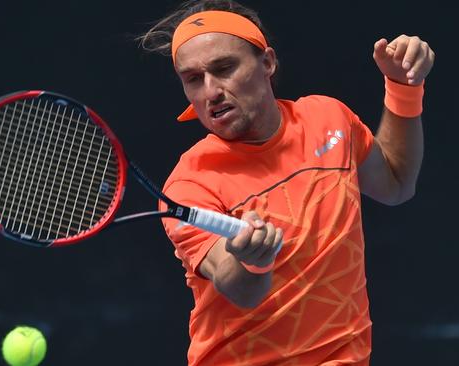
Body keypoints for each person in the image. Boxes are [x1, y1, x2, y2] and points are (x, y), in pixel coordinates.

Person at [137, 1, 435, 365]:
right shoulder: (188, 186)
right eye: (193, 79)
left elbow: (397, 183)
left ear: (267, 63)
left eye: (224, 68)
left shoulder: (329, 119)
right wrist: (253, 261)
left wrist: (404, 87)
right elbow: (241, 290)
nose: (211, 91)